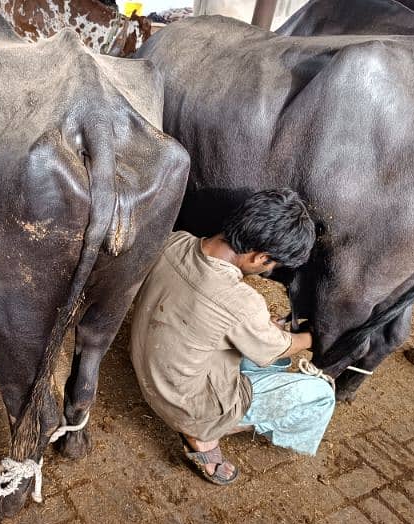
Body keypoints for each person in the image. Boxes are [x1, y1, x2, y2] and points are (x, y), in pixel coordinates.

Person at [130, 189, 335, 485]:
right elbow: (281, 348)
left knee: (257, 351)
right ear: (260, 257)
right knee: (320, 395)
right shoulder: (242, 302)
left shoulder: (176, 240)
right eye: (272, 265)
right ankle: (203, 436)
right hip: (185, 406)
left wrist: (263, 328)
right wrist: (313, 338)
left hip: (149, 372)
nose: (270, 269)